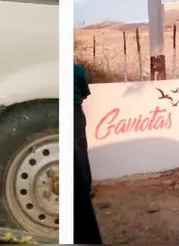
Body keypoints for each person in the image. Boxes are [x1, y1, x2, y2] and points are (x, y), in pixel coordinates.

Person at [74, 62, 102, 244]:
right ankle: (85, 189)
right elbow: (84, 94)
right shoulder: (76, 70)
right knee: (79, 150)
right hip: (73, 111)